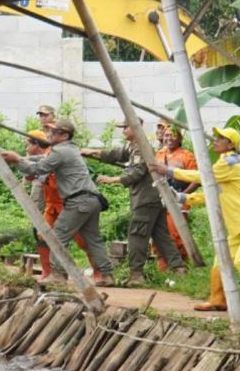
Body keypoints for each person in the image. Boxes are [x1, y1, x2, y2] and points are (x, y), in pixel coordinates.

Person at [151, 127, 240, 314]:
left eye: (221, 138)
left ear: (230, 145)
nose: (216, 140)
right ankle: (217, 300)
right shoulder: (224, 164)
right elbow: (212, 193)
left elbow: (204, 176)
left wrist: (169, 171)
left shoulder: (229, 163)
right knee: (220, 260)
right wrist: (182, 198)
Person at [1, 120, 115, 287]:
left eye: (54, 133)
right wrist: (23, 159)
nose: (49, 135)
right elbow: (42, 159)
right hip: (91, 199)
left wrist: (18, 160)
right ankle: (107, 275)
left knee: (58, 236)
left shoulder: (60, 151)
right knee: (93, 239)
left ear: (65, 136)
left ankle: (58, 274)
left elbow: (37, 169)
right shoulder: (71, 149)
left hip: (79, 201)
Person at [84, 119, 186, 285]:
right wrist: (90, 152)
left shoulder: (140, 147)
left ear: (134, 128)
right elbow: (114, 155)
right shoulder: (132, 147)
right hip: (152, 198)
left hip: (145, 199)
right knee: (161, 236)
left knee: (137, 235)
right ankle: (179, 269)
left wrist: (113, 179)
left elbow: (137, 172)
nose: (123, 131)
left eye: (125, 127)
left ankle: (136, 275)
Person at [25, 129, 98, 280]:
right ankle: (49, 272)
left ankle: (98, 272)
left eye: (28, 144)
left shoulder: (58, 155)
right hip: (51, 205)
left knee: (82, 240)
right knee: (42, 236)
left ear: (36, 144)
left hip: (69, 204)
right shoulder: (40, 158)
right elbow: (31, 175)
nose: (26, 148)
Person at [155, 127, 196, 267]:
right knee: (159, 234)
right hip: (160, 199)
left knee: (177, 234)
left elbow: (197, 179)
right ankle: (163, 269)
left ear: (180, 139)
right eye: (166, 135)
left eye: (173, 136)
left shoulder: (187, 156)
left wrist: (182, 196)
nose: (169, 138)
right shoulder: (159, 154)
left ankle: (182, 267)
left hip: (179, 200)